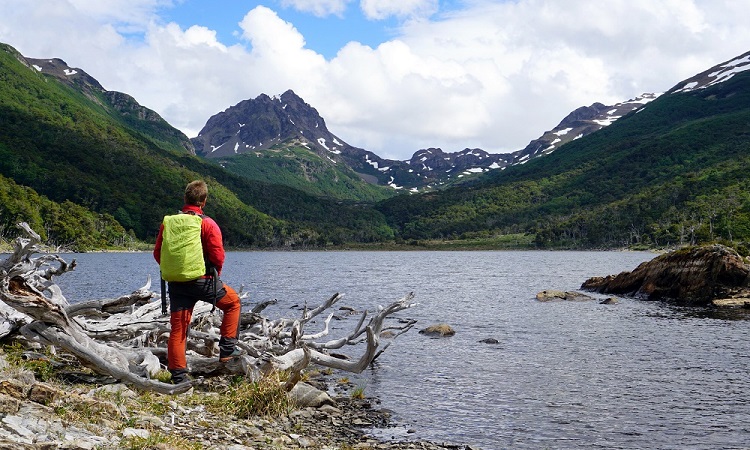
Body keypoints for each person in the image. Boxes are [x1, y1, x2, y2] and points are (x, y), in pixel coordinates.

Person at [153, 180, 242, 384]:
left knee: (179, 329)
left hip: (176, 283)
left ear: (185, 199)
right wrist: (214, 276)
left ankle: (178, 376)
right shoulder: (207, 223)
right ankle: (227, 350)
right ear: (204, 201)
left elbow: (158, 253)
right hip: (203, 281)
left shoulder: (169, 222)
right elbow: (218, 256)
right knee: (233, 302)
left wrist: (175, 271)